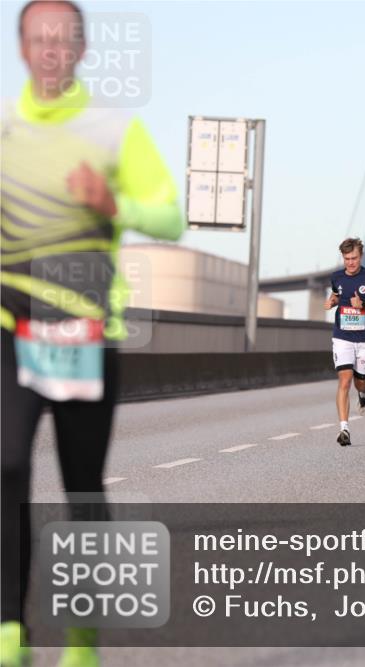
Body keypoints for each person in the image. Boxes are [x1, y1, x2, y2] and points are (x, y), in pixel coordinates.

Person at [2, 3, 184, 665]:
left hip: (85, 332)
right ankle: (9, 634)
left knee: (82, 484)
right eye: (38, 41)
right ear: (22, 48)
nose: (50, 52)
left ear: (81, 50)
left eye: (62, 41)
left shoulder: (113, 131)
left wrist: (116, 204)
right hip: (9, 325)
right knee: (5, 466)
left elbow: (169, 217)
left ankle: (83, 633)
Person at [324, 238, 365, 446]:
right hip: (342, 336)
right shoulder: (336, 277)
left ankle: (364, 393)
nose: (350, 263)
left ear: (360, 256)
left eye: (353, 258)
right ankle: (344, 429)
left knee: (359, 380)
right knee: (344, 380)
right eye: (346, 259)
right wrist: (332, 301)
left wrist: (363, 304)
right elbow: (337, 295)